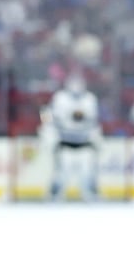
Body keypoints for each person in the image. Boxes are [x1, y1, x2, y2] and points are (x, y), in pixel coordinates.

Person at [42, 72, 102, 201]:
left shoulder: (90, 99)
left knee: (88, 173)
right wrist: (51, 139)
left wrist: (96, 140)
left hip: (85, 144)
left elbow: (94, 122)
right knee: (61, 174)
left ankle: (92, 195)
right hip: (65, 144)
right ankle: (54, 196)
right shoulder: (60, 98)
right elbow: (50, 118)